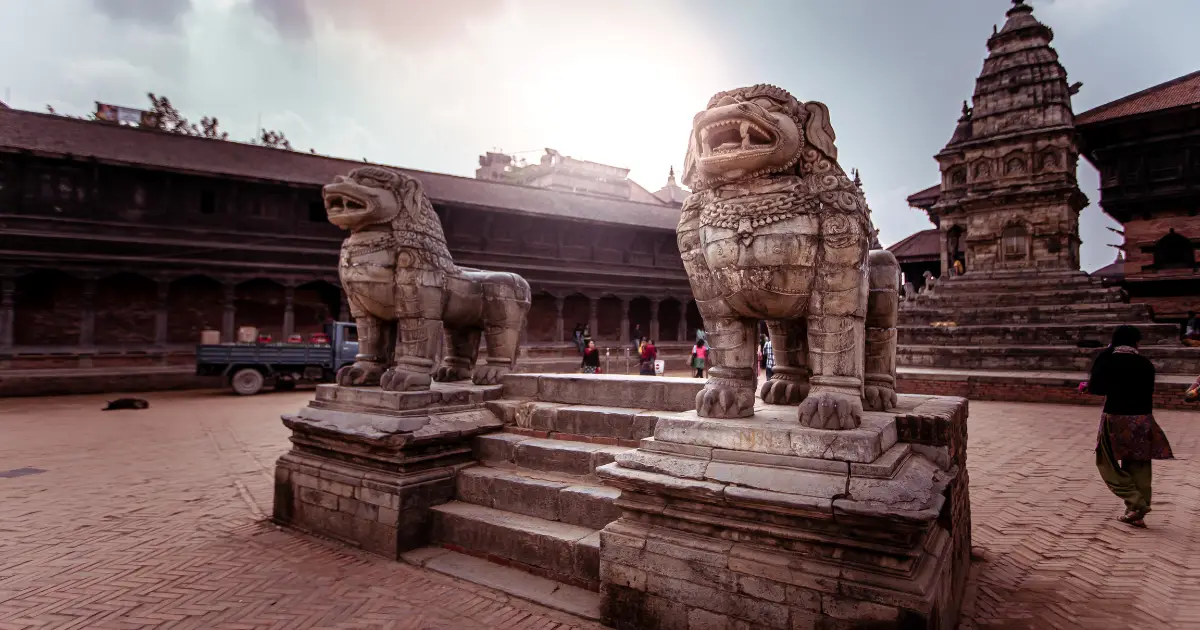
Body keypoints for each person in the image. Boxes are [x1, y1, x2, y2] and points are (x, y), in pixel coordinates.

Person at [1084, 325, 1174, 528]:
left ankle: (1135, 501)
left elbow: (1096, 388)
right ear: (1135, 342)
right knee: (1140, 464)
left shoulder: (1107, 360)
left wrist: (1107, 352)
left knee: (1106, 462)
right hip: (1142, 419)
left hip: (1115, 418)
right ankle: (1138, 512)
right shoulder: (1145, 364)